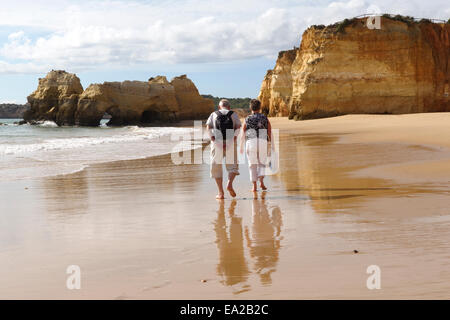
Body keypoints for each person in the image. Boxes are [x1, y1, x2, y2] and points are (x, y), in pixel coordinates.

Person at [206, 99, 241, 199]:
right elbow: (238, 127)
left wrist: (213, 139)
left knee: (216, 168)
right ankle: (229, 183)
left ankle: (221, 193)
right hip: (230, 140)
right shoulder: (233, 114)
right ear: (229, 107)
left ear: (219, 107)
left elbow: (208, 128)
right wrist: (232, 139)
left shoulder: (214, 114)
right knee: (233, 166)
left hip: (217, 141)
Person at [240, 99, 273, 192]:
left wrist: (241, 145)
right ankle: (261, 182)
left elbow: (243, 132)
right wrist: (271, 143)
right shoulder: (264, 118)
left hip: (251, 142)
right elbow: (269, 131)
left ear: (250, 108)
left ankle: (254, 186)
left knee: (252, 164)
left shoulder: (247, 118)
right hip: (263, 141)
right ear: (260, 107)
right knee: (262, 163)